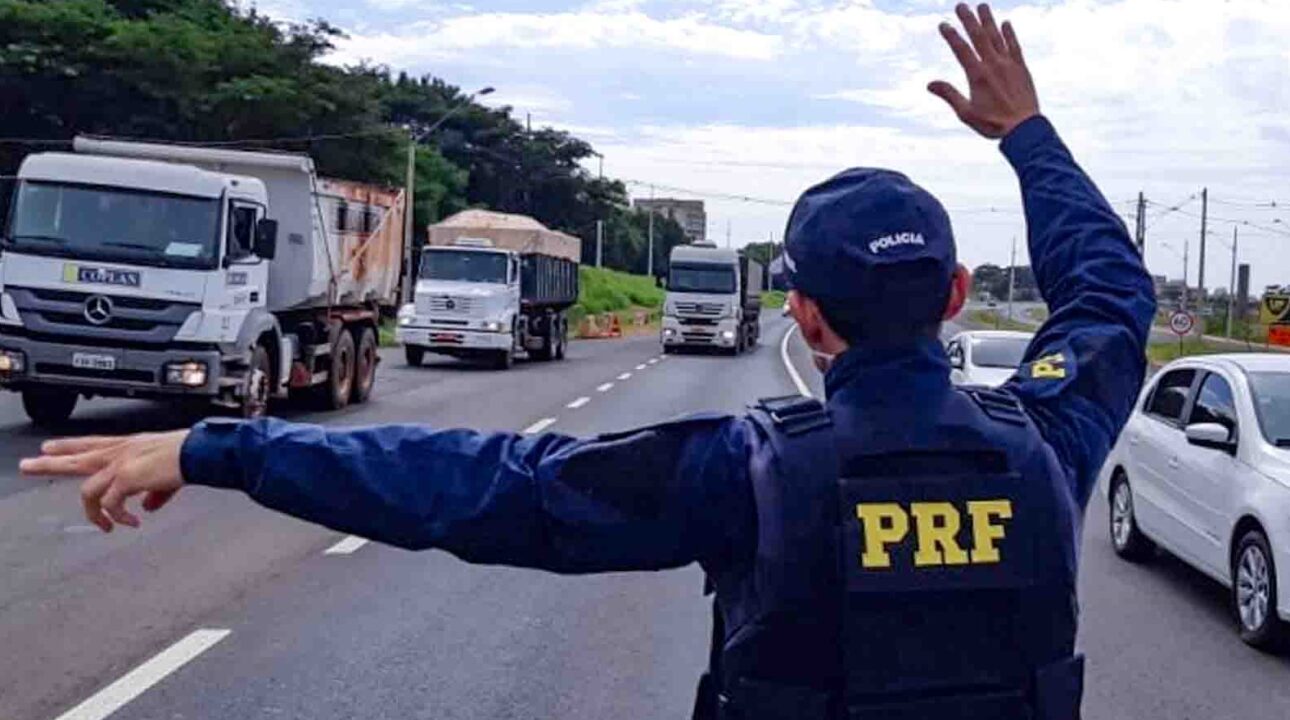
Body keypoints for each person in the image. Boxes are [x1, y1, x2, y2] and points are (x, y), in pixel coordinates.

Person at [22, 4, 1155, 719]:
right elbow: (1109, 296)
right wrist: (1028, 136)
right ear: (956, 298)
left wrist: (219, 446)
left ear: (802, 317)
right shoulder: (1047, 450)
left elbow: (475, 486)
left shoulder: (750, 473)